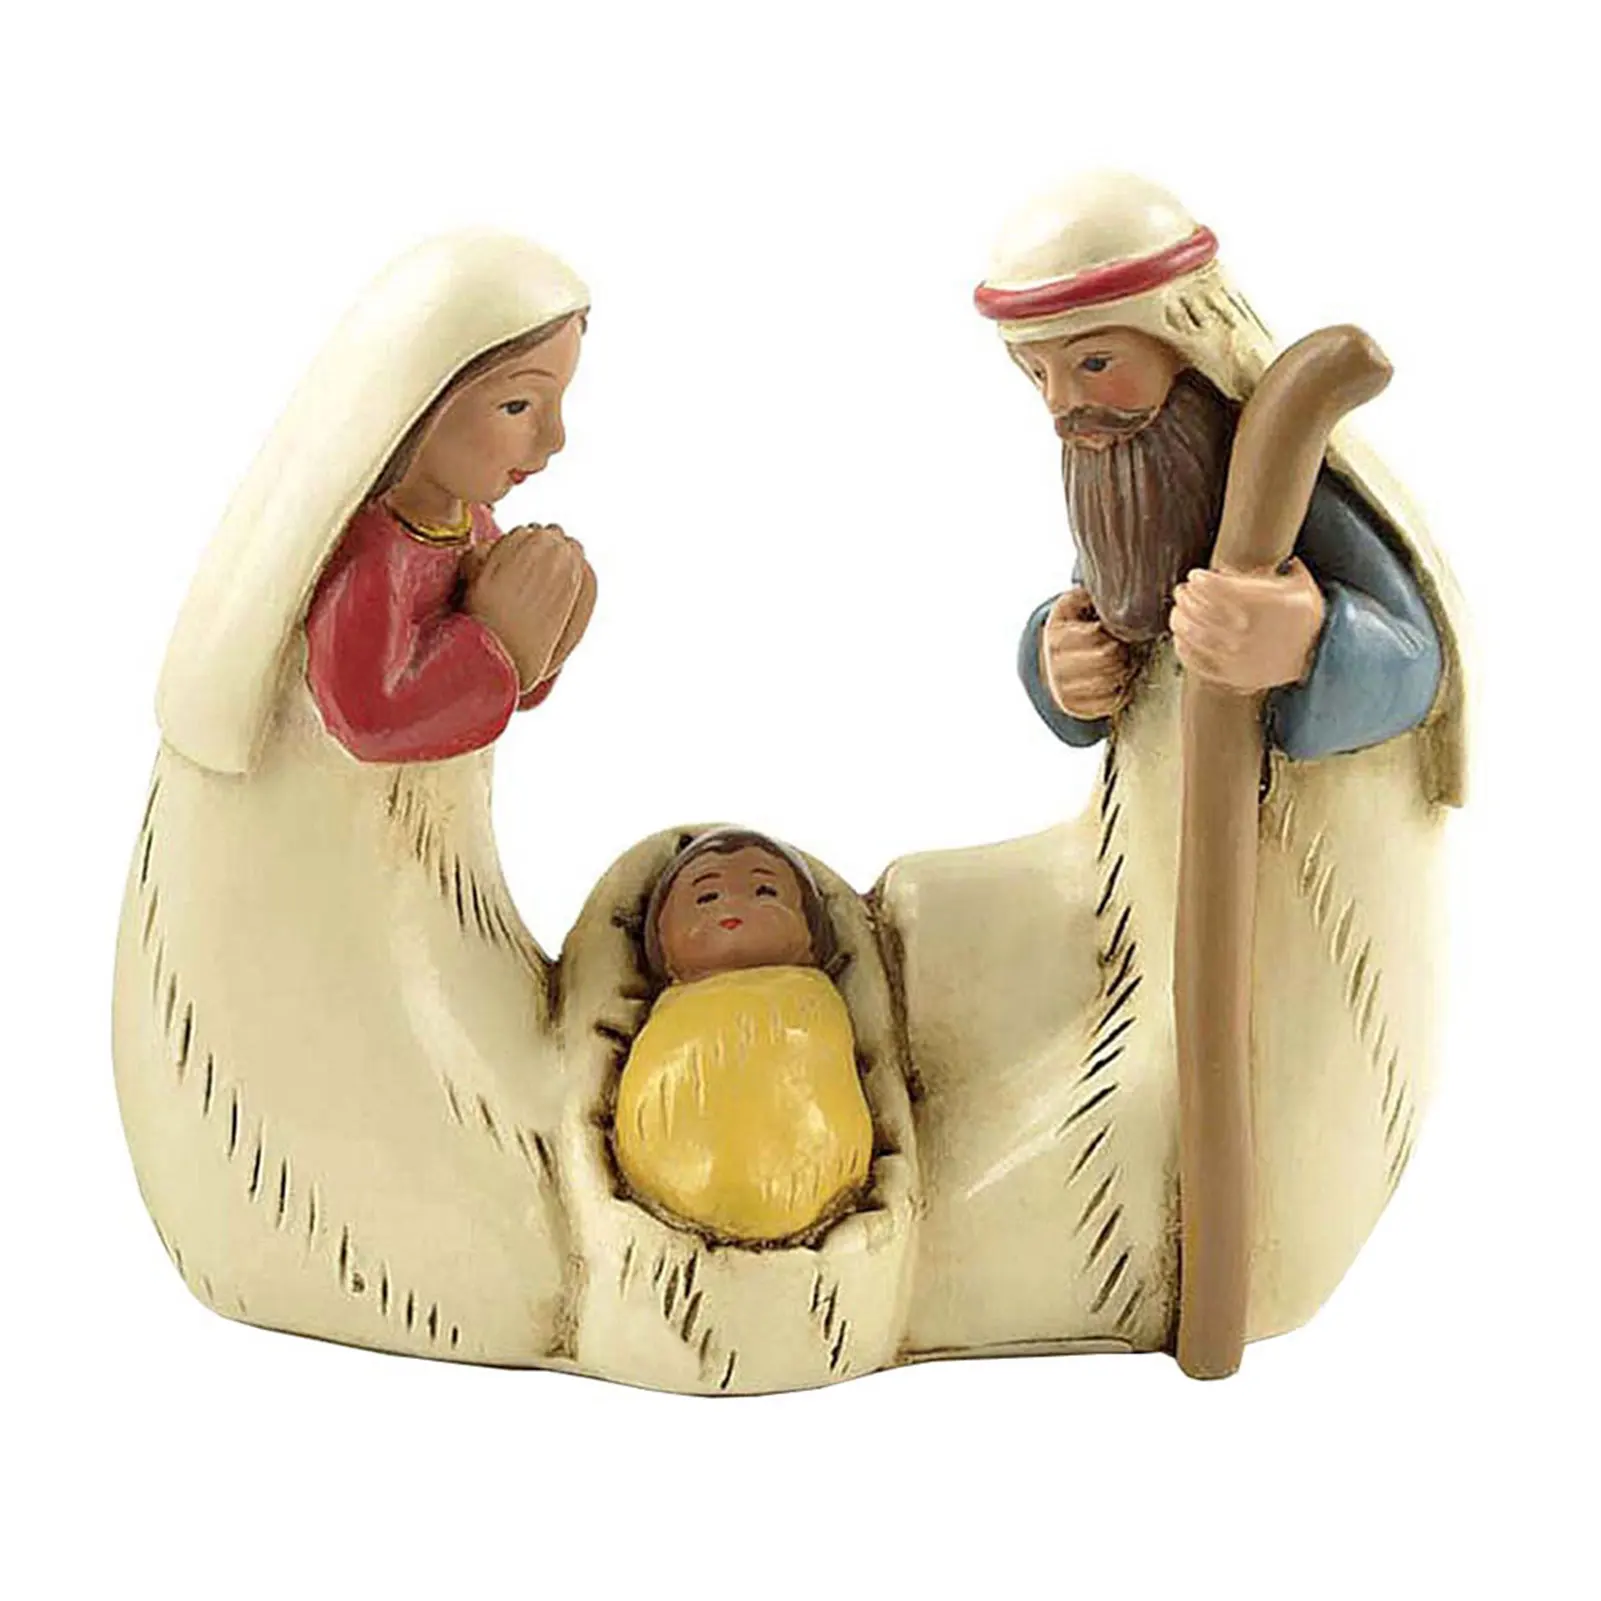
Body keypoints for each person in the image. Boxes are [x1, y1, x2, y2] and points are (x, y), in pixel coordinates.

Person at [875, 174, 1466, 1363]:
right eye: (1035, 375)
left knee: (1127, 1118)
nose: (1062, 406)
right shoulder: (1130, 466)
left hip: (1271, 921)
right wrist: (1059, 659)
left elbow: (1418, 666)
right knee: (916, 910)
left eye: (1090, 364)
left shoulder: (1295, 484)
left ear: (1183, 337)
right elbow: (1109, 612)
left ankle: (969, 1226)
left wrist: (1306, 643)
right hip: (1128, 863)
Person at [115, 233, 598, 1365]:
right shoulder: (373, 559)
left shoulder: (462, 524)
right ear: (412, 405)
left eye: (554, 405)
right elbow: (372, 713)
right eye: (518, 405)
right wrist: (499, 645)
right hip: (345, 899)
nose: (552, 442)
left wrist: (540, 633)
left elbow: (486, 685)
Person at [613, 829, 873, 1244]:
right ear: (660, 943)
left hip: (814, 1167)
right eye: (706, 897)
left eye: (765, 891)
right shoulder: (672, 1006)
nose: (733, 906)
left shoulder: (813, 996)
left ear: (812, 935)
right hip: (671, 1174)